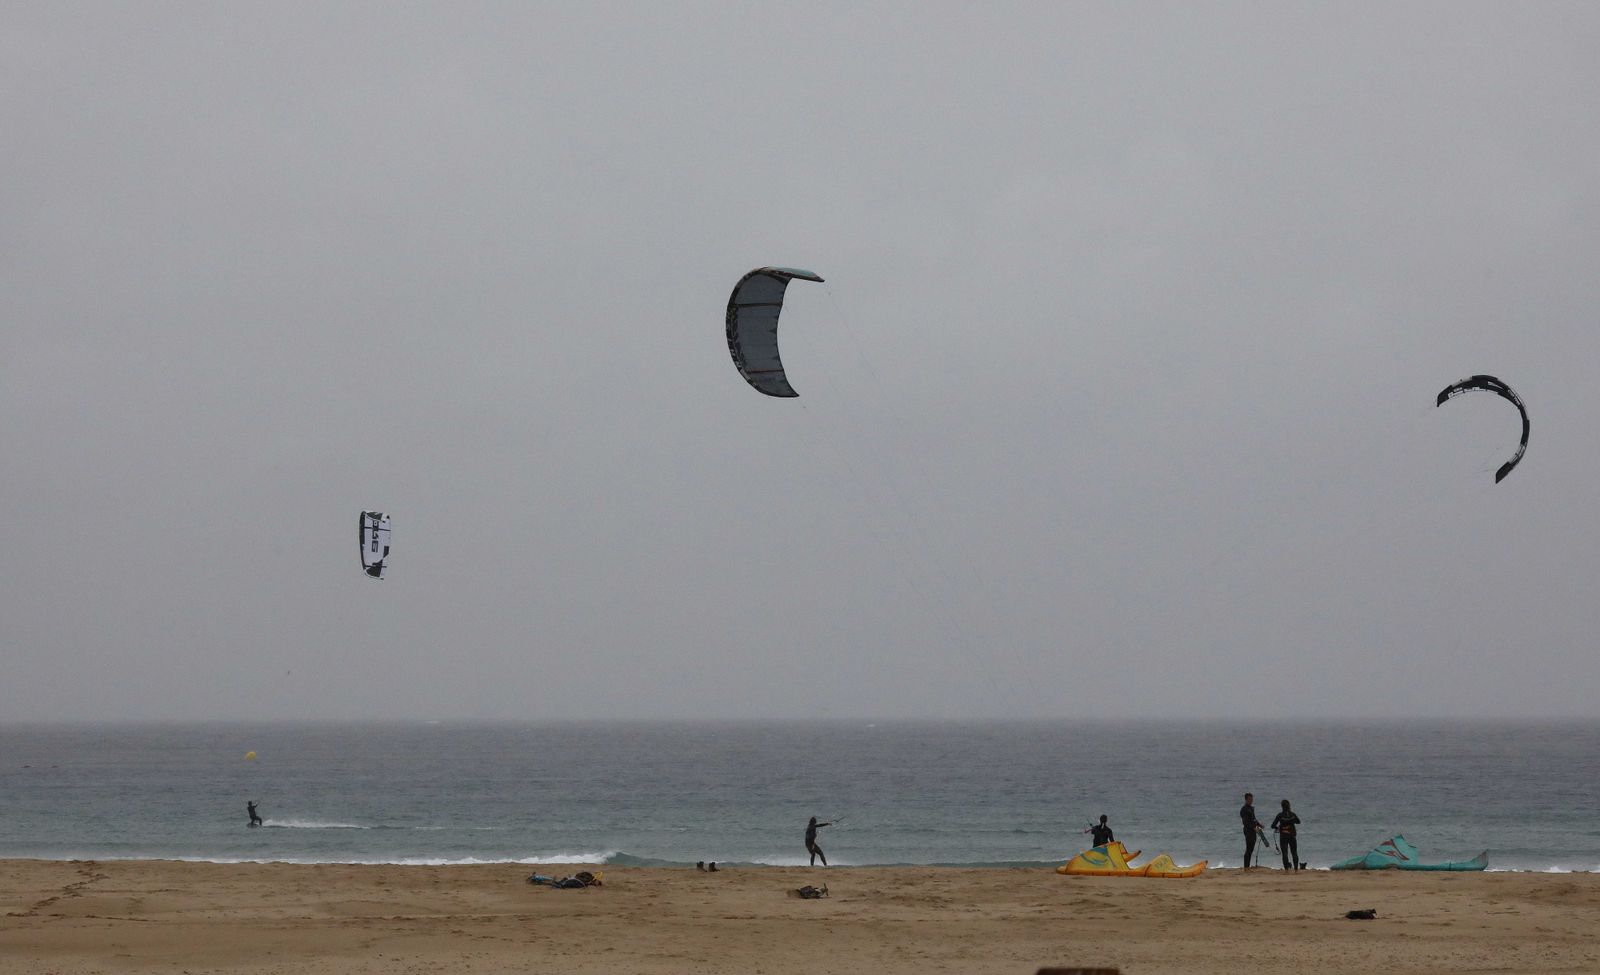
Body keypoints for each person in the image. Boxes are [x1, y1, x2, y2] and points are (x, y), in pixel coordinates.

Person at [1271, 799, 1302, 871]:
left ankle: (1286, 870)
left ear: (1282, 806)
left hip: (1283, 836)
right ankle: (1296, 869)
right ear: (1289, 806)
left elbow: (1272, 825)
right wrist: (1291, 821)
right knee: (1294, 852)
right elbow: (1298, 822)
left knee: (1285, 853)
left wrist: (1278, 827)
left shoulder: (1280, 815)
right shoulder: (1293, 814)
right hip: (1292, 835)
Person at [1240, 793, 1264, 868]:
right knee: (1248, 848)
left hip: (1254, 830)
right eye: (1249, 799)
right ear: (1246, 799)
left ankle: (1248, 865)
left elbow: (1254, 819)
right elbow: (1245, 822)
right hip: (1248, 830)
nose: (1251, 801)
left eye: (1252, 799)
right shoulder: (1244, 809)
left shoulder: (1251, 808)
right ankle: (1246, 866)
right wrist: (1253, 827)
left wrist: (1259, 824)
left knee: (1251, 849)